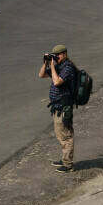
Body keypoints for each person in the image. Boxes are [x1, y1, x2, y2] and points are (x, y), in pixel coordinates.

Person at [38, 44, 78, 172]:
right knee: (60, 134)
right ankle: (65, 159)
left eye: (58, 55)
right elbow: (41, 75)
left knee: (66, 135)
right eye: (55, 55)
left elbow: (57, 82)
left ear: (64, 54)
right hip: (57, 106)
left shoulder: (68, 68)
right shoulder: (59, 66)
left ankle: (68, 164)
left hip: (64, 106)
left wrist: (53, 67)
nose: (57, 57)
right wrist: (46, 63)